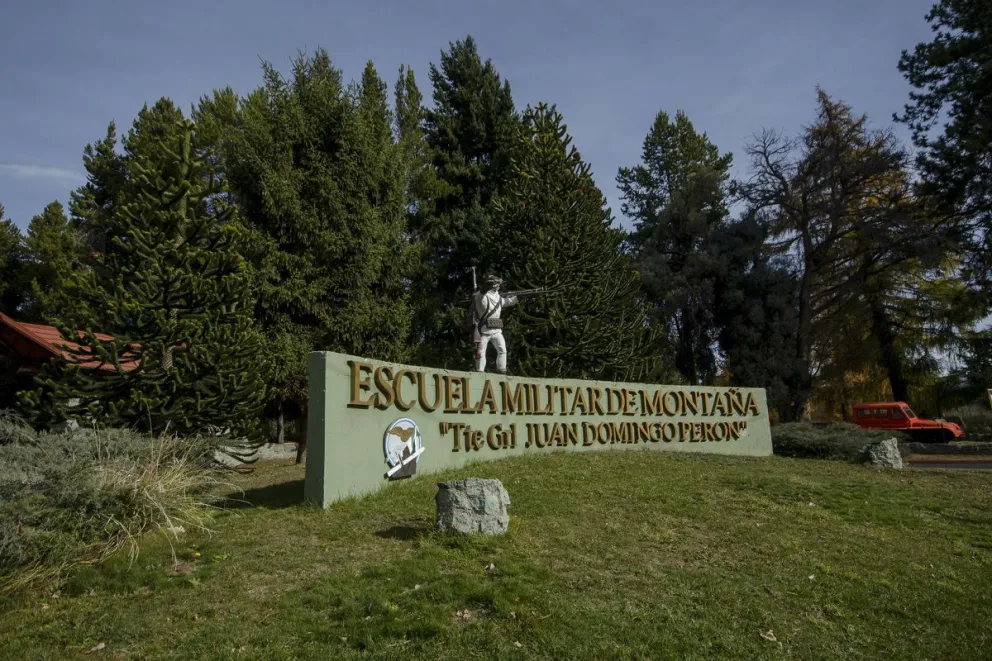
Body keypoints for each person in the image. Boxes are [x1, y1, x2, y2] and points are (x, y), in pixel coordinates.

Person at [468, 274, 518, 373]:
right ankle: (480, 371)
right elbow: (480, 294)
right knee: (480, 352)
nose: (498, 286)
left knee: (502, 350)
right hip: (484, 330)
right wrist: (485, 287)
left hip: (496, 330)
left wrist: (518, 298)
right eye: (495, 283)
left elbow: (508, 301)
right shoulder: (481, 297)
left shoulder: (499, 298)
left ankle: (501, 370)